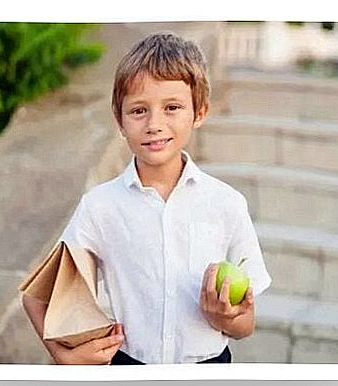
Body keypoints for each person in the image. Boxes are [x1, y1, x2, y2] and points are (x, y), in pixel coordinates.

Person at [22, 31, 271, 365]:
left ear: (199, 112)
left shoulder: (226, 204)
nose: (155, 124)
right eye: (139, 111)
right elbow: (38, 299)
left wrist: (225, 317)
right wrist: (62, 355)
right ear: (119, 120)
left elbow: (245, 326)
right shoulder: (100, 207)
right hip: (129, 366)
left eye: (172, 107)